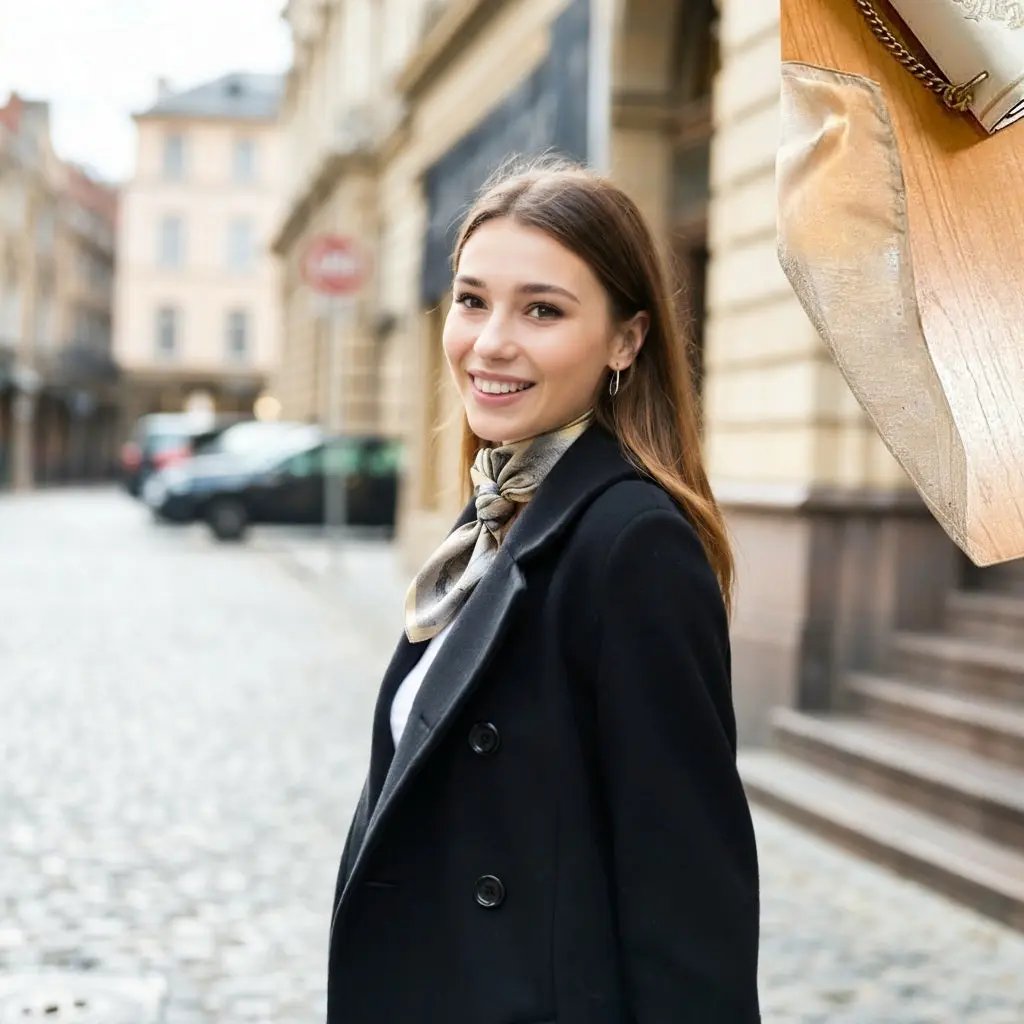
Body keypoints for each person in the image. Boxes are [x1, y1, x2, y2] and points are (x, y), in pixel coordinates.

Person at [326, 158, 761, 1023]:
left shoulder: (634, 545)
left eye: (543, 310)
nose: (489, 342)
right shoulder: (496, 513)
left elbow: (690, 901)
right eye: (472, 299)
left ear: (627, 340)